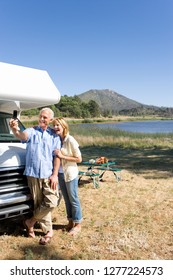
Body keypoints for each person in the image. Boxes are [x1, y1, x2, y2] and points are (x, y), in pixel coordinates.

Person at [9, 108, 61, 245]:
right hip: (33, 174)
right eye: (41, 116)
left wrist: (55, 174)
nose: (42, 119)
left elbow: (57, 156)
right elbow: (22, 136)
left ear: (50, 120)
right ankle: (48, 231)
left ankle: (30, 221)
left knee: (51, 201)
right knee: (39, 203)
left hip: (48, 175)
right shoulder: (32, 131)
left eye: (45, 117)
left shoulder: (54, 135)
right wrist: (15, 130)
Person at [52, 117, 83, 236]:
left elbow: (79, 159)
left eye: (58, 125)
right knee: (66, 200)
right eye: (54, 125)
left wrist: (62, 156)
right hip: (60, 174)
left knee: (73, 199)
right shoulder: (57, 139)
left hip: (70, 173)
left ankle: (78, 224)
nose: (55, 127)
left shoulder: (70, 140)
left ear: (64, 126)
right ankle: (70, 222)